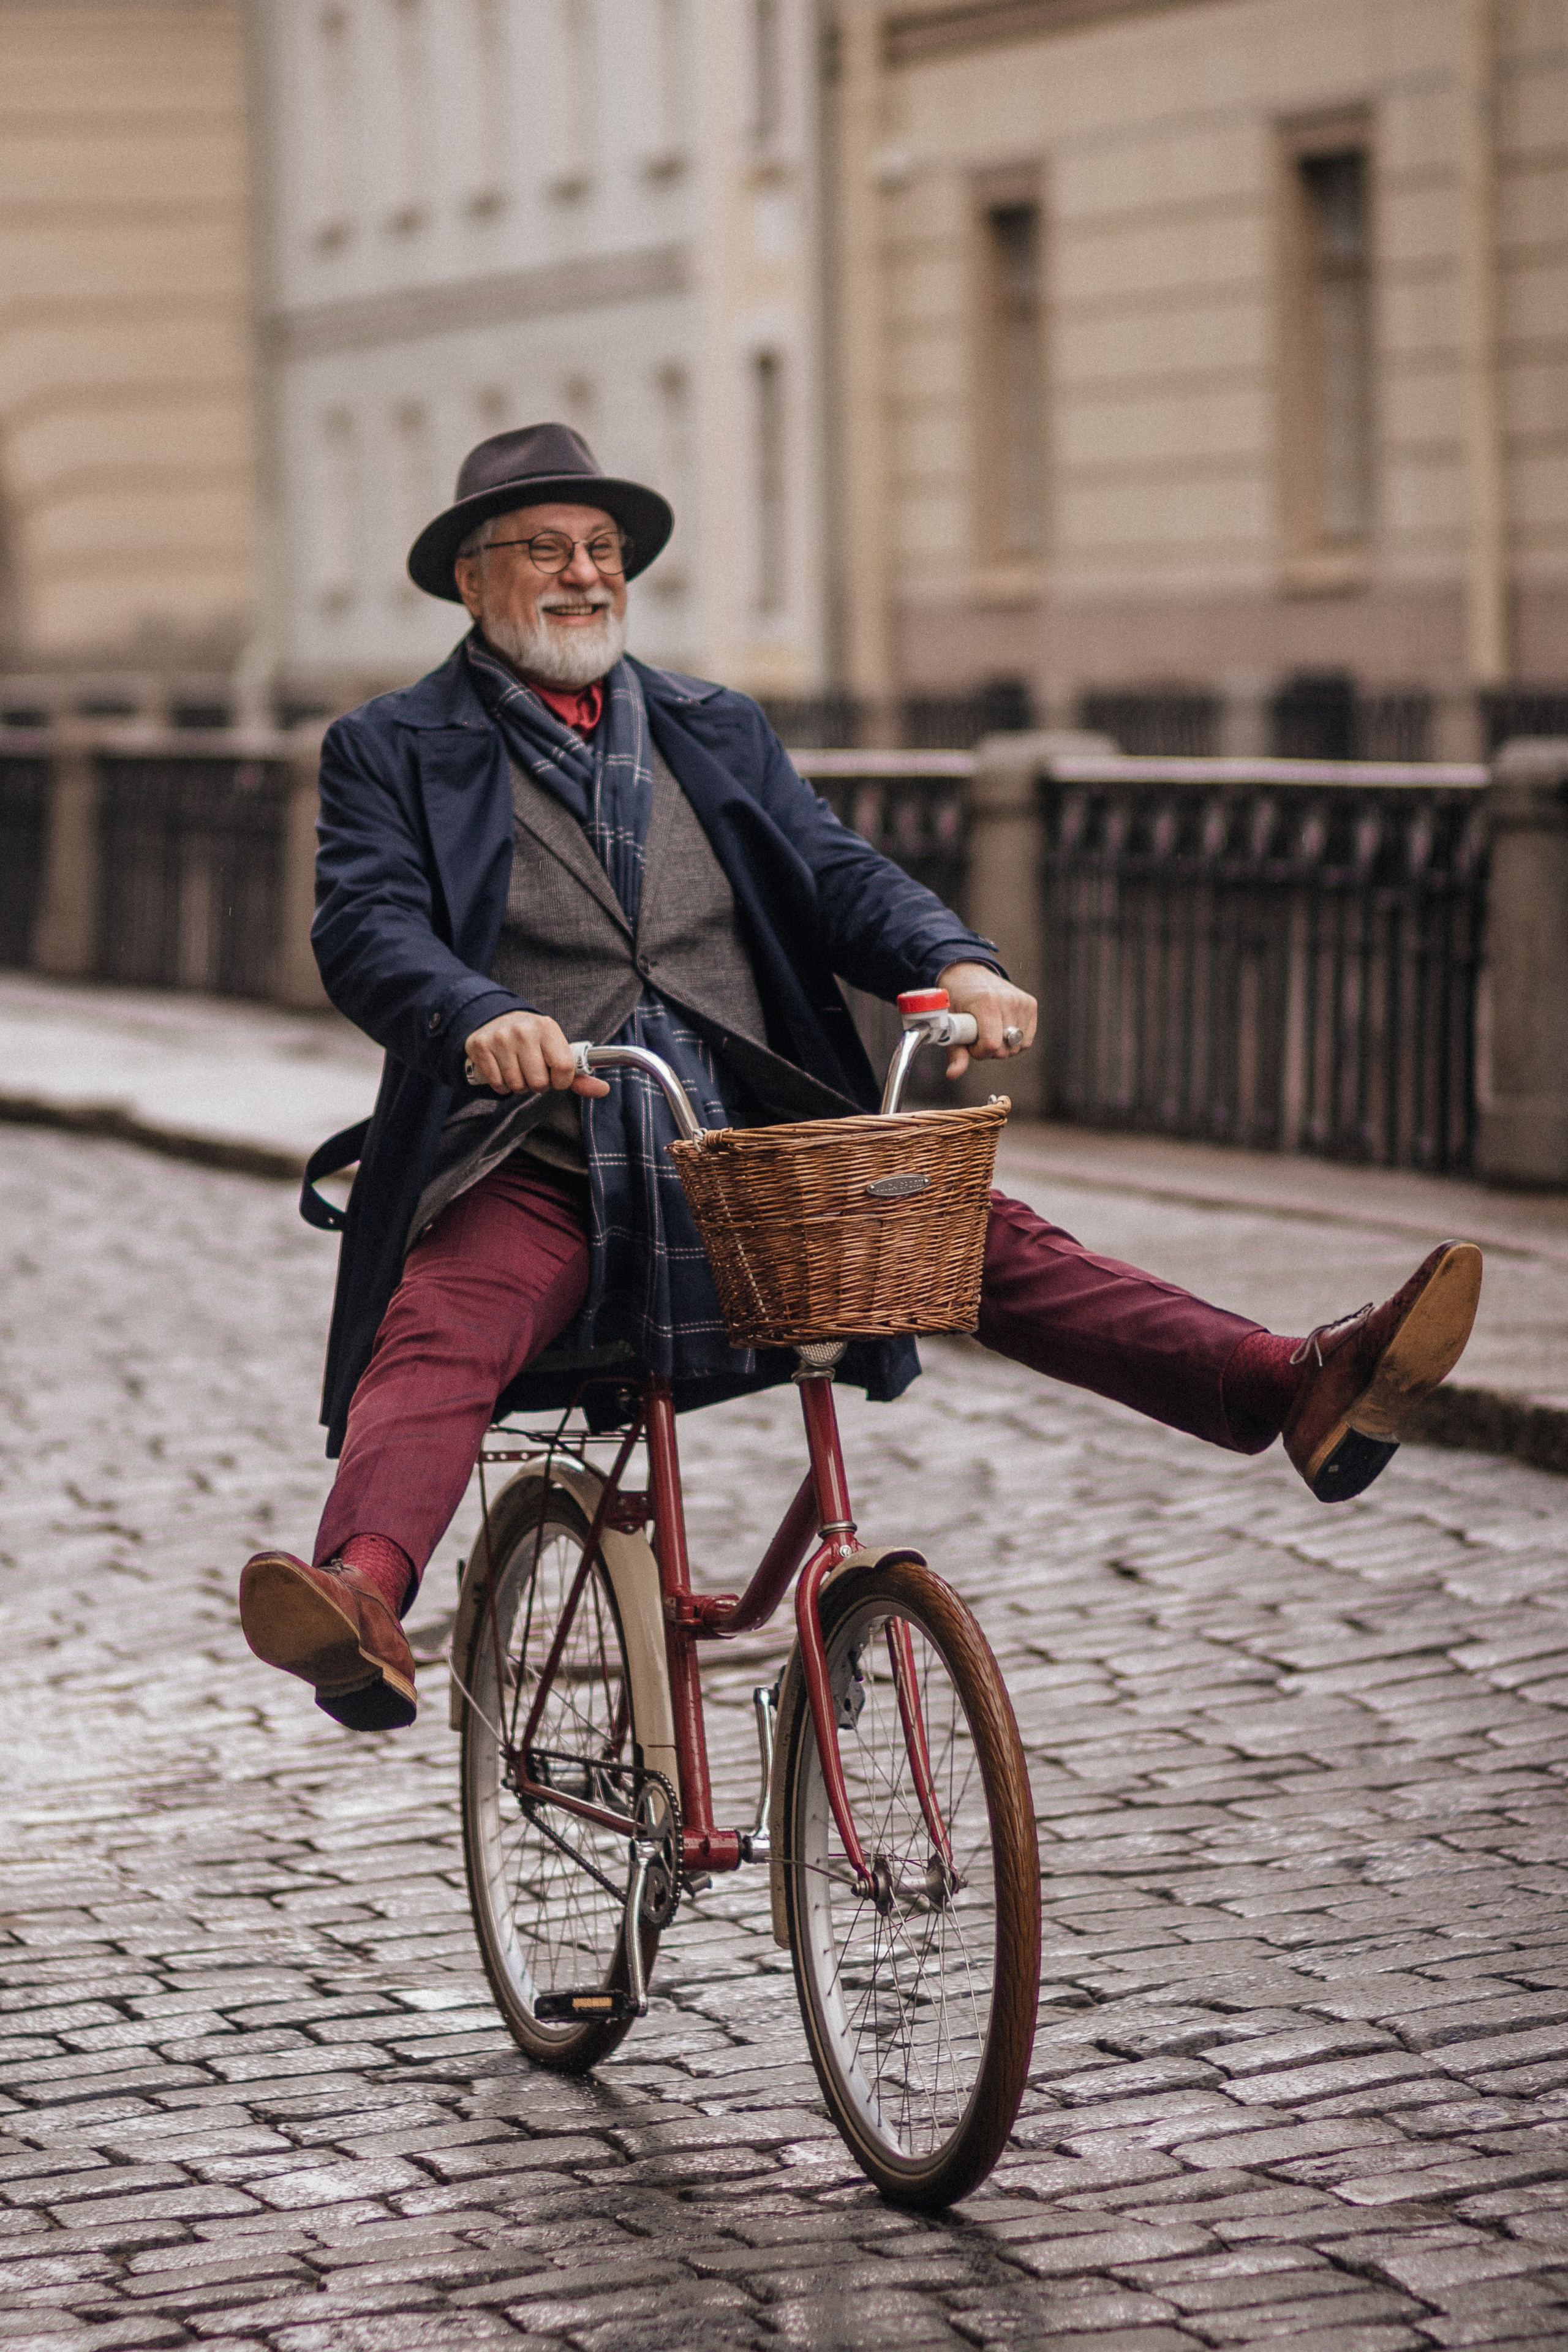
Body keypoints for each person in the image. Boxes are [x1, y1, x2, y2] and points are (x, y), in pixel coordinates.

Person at [238, 424, 1482, 1732]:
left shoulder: (712, 725)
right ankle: (361, 1605)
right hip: (536, 1149)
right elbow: (365, 928)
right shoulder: (390, 746)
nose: (585, 576)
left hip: (746, 1138)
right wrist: (477, 1012)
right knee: (443, 1325)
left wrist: (953, 962)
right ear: (472, 581)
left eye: (603, 551)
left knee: (990, 1244)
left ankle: (1291, 1382)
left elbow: (835, 876)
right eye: (546, 551)